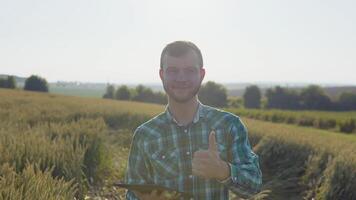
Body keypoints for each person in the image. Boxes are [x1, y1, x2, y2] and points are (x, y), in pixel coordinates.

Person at [124, 41, 262, 199]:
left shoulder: (229, 125)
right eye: (173, 70)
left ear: (201, 75)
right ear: (161, 75)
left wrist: (222, 171)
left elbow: (254, 185)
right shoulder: (145, 135)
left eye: (190, 70)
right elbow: (133, 194)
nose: (181, 78)